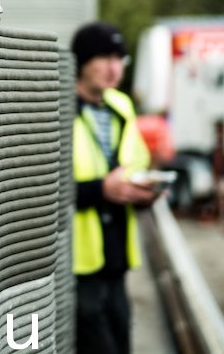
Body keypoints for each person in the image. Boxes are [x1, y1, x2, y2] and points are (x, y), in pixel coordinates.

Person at [70, 22, 159, 354]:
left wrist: (145, 191)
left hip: (117, 258)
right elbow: (45, 191)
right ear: (81, 62)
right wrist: (100, 191)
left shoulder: (121, 106)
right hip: (79, 264)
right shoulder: (60, 109)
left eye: (120, 58)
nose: (114, 68)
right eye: (104, 57)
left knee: (122, 339)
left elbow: (136, 164)